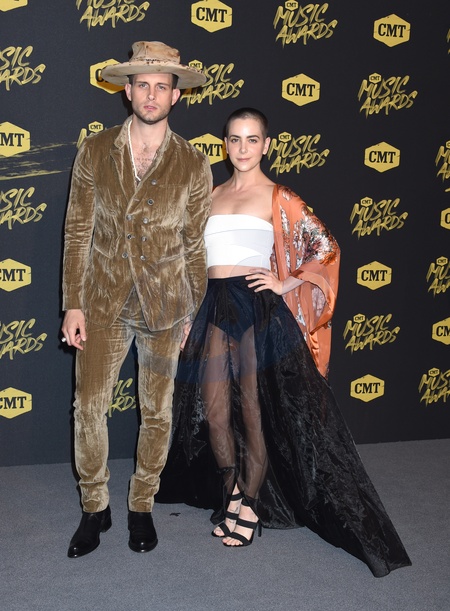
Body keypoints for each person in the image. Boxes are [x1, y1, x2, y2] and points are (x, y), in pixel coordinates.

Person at [158, 108, 411, 577]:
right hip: (213, 306)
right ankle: (233, 491)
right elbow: (192, 263)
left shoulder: (279, 196)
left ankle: (250, 506)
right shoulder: (210, 196)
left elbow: (326, 247)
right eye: (235, 139)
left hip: (255, 307)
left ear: (266, 145)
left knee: (254, 411)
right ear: (224, 145)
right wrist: (188, 317)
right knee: (215, 413)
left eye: (252, 139)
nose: (243, 148)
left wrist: (285, 281)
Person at [61, 41, 212, 558]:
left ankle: (142, 504)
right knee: (88, 407)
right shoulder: (95, 149)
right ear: (127, 91)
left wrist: (193, 310)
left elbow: (195, 244)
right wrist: (73, 303)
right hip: (102, 300)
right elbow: (77, 231)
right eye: (142, 84)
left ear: (176, 95)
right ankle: (94, 506)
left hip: (166, 306)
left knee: (158, 412)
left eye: (161, 86)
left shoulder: (193, 162)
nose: (151, 94)